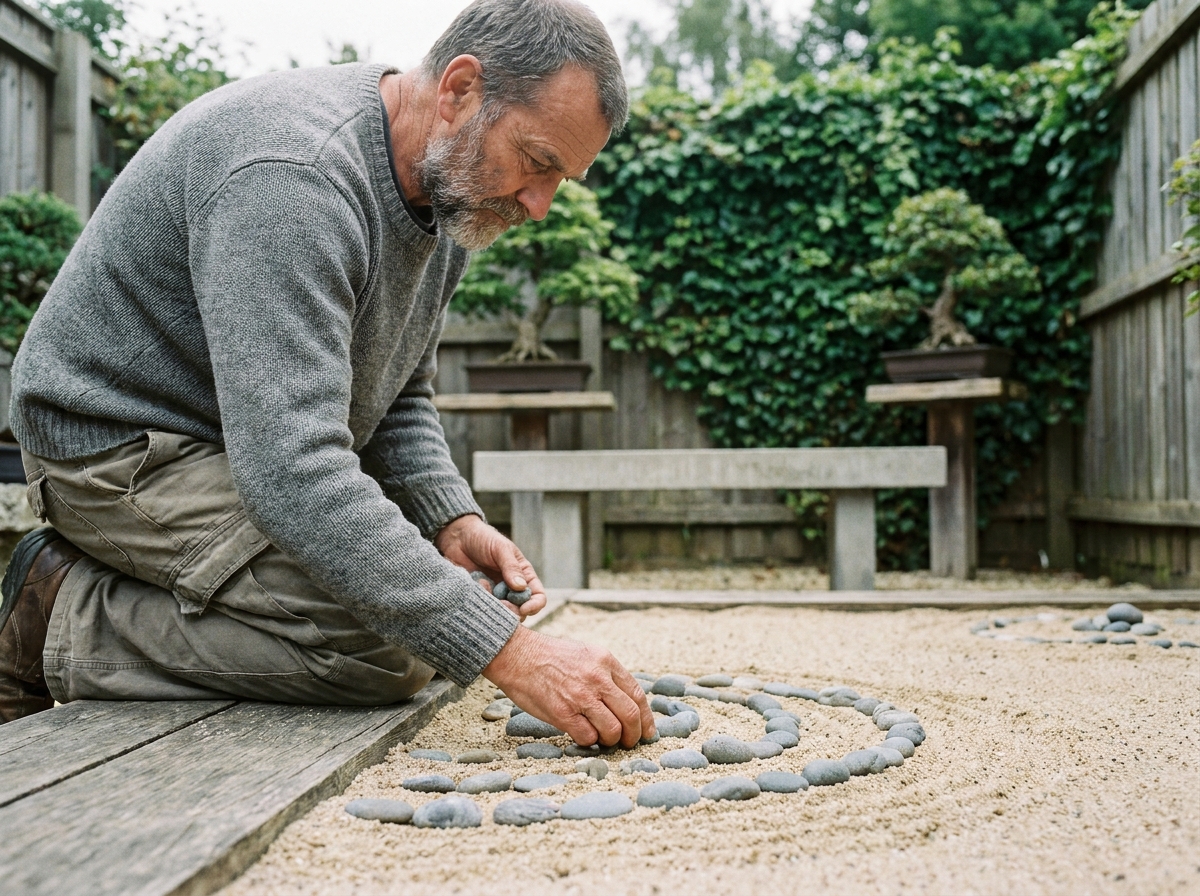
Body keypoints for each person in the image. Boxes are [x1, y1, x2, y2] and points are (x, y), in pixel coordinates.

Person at [0, 0, 655, 748]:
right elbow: (294, 469)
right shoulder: (294, 176)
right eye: (537, 162)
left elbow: (399, 387)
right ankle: (58, 612)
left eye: (559, 181)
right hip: (117, 448)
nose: (538, 205)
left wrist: (450, 517)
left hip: (240, 450)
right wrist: (516, 654)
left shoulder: (450, 190)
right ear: (460, 89)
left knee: (432, 607)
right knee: (394, 646)